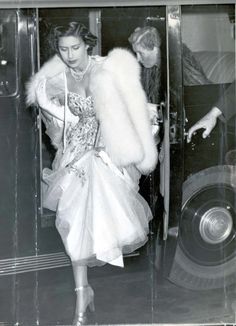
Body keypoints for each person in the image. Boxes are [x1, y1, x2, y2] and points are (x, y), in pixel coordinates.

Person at [26, 22, 158, 325]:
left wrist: (108, 143)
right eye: (63, 49)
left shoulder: (107, 72)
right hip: (74, 155)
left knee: (95, 221)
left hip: (106, 152)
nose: (70, 55)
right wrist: (58, 119)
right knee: (73, 223)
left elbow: (133, 112)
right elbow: (54, 115)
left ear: (87, 45)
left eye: (75, 48)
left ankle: (84, 295)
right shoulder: (58, 79)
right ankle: (82, 291)